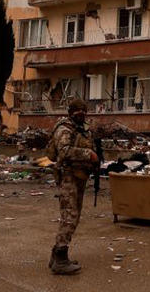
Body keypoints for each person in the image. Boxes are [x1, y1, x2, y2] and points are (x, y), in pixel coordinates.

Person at [47, 98, 97, 275]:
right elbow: (64, 151)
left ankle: (57, 255)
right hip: (67, 177)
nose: (81, 114)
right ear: (70, 113)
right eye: (78, 112)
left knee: (74, 216)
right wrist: (88, 154)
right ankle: (60, 257)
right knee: (70, 216)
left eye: (84, 111)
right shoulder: (64, 129)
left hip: (79, 177)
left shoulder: (83, 129)